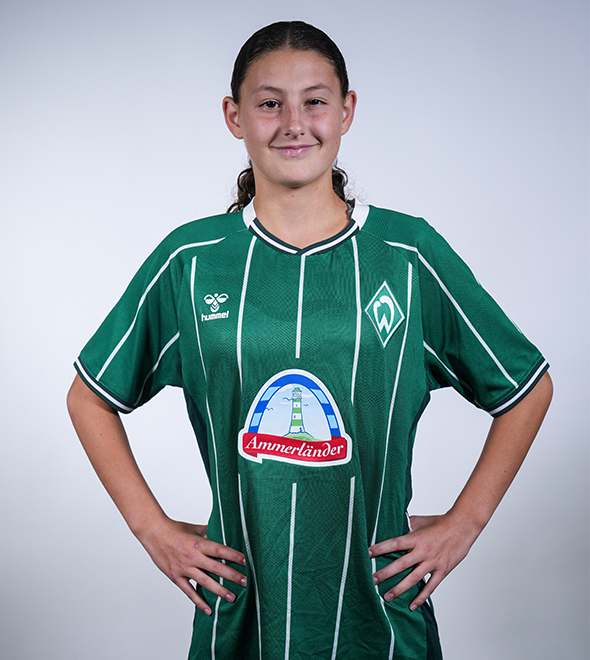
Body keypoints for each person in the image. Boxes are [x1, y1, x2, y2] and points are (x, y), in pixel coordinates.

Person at [67, 20, 552, 660]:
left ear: (346, 112)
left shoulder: (408, 254)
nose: (294, 123)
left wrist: (465, 524)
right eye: (270, 103)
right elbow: (89, 397)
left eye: (315, 101)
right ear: (234, 116)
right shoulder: (192, 260)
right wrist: (153, 531)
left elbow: (525, 388)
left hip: (380, 619)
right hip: (242, 616)